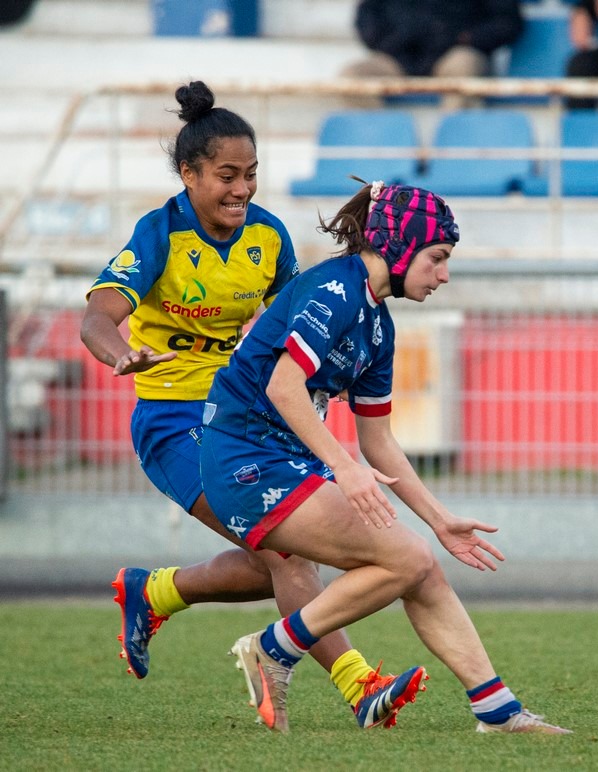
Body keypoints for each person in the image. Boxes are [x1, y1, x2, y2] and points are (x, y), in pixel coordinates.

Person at [79, 81, 422, 731]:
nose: (241, 190)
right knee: (289, 554)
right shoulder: (159, 235)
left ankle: (155, 592)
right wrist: (118, 353)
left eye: (251, 175)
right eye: (226, 176)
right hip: (175, 422)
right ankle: (360, 686)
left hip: (241, 418)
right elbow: (97, 316)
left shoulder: (267, 237)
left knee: (286, 555)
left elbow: (295, 326)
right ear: (190, 174)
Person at [200, 181, 570, 735]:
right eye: (438, 258)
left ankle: (498, 711)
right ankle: (274, 647)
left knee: (420, 565)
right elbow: (283, 386)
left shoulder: (378, 324)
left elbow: (379, 442)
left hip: (283, 463)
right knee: (407, 559)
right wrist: (344, 469)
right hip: (244, 461)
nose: (444, 274)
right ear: (399, 248)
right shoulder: (335, 289)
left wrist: (440, 519)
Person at [340, 0, 523, 106]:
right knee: (352, 76)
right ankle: (387, 147)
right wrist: (392, 41)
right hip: (399, 58)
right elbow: (367, 19)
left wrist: (466, 38)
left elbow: (507, 22)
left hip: (453, 54)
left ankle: (448, 148)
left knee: (464, 65)